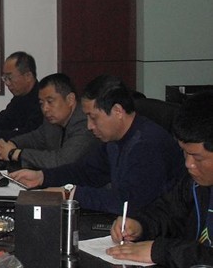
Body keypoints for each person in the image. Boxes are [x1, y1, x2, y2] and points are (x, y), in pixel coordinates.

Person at [10, 74, 185, 215]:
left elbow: (128, 202)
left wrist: (70, 194)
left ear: (117, 111)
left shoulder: (148, 144)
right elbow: (86, 172)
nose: (89, 126)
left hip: (159, 232)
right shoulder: (114, 139)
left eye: (93, 117)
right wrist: (42, 177)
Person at [107, 91, 213, 267]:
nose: (188, 164)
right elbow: (168, 212)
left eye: (197, 157)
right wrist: (140, 225)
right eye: (184, 152)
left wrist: (161, 251)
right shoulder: (194, 183)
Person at [0, 73, 99, 169]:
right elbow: (35, 138)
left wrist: (15, 153)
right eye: (41, 103)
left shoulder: (85, 123)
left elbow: (61, 161)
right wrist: (12, 143)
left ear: (70, 99)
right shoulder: (52, 122)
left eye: (50, 101)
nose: (45, 108)